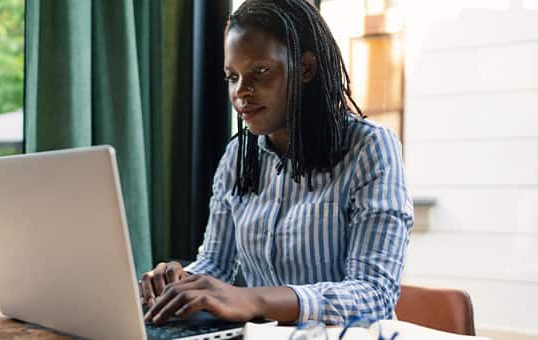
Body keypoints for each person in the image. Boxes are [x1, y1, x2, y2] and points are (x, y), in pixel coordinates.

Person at [141, 0, 413, 326]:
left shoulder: (369, 149)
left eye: (260, 71)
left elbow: (374, 295)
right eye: (232, 77)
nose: (241, 91)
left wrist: (250, 298)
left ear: (306, 69)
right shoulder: (237, 157)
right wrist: (180, 282)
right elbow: (215, 263)